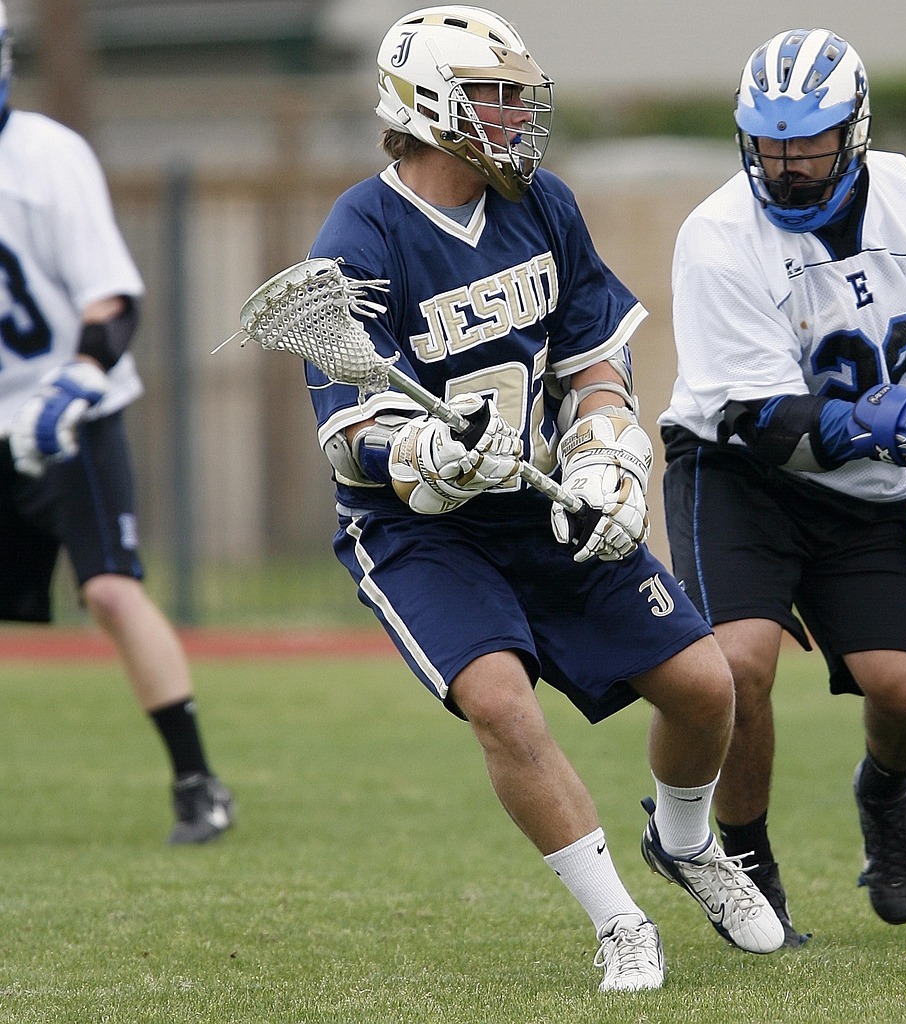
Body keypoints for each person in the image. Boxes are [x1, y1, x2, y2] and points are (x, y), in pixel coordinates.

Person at [299, 6, 783, 993]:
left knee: (703, 686)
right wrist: (430, 448)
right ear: (429, 105)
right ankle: (618, 923)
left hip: (537, 499)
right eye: (497, 95)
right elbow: (351, 436)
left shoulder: (541, 203)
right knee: (503, 708)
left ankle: (684, 843)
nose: (518, 114)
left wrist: (606, 451)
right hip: (419, 531)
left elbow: (592, 355)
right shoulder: (360, 232)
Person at [658, 27, 906, 944]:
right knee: (735, 669)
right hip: (738, 474)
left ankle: (883, 797)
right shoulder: (718, 236)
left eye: (808, 141)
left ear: (853, 131)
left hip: (871, 490)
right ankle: (747, 862)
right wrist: (884, 421)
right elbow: (764, 425)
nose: (788, 163)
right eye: (770, 143)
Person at [0, 2, 234, 844]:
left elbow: (112, 296)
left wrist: (79, 380)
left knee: (107, 588)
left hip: (66, 407)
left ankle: (197, 781)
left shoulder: (46, 157)